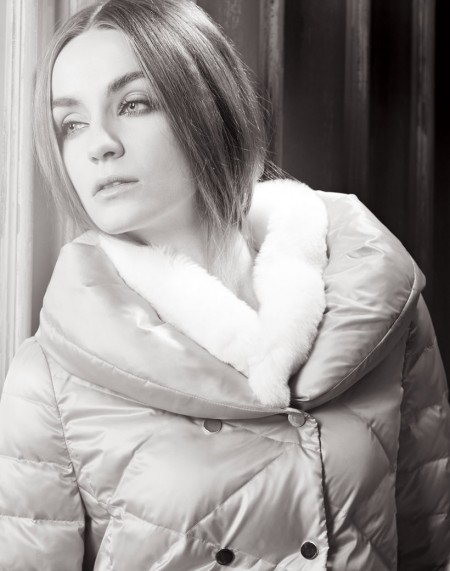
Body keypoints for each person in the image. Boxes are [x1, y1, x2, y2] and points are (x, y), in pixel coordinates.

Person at [0, 0, 449, 569]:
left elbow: (427, 542)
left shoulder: (381, 301)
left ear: (208, 105)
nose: (100, 143)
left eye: (133, 104)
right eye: (72, 123)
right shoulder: (48, 376)